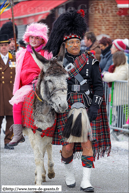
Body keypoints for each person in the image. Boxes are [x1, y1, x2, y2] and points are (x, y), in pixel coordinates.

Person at [44, 10, 111, 192]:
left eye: (77, 42)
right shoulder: (57, 64)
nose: (75, 45)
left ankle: (86, 181)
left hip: (86, 104)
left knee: (87, 143)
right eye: (71, 42)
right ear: (65, 44)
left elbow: (98, 86)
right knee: (68, 146)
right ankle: (69, 173)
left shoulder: (90, 62)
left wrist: (95, 106)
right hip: (66, 106)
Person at [7, 23, 52, 147]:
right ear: (27, 38)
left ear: (42, 39)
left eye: (37, 38)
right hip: (26, 85)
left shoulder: (46, 53)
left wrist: (40, 79)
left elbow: (49, 70)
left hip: (41, 84)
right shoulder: (21, 53)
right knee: (16, 104)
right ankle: (17, 133)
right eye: (32, 37)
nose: (34, 40)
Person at [102, 51, 128, 128]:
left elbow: (118, 77)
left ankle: (121, 126)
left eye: (114, 58)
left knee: (122, 112)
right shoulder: (118, 67)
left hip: (122, 94)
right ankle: (119, 126)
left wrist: (105, 76)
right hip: (118, 94)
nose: (112, 60)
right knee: (118, 111)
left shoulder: (124, 68)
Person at [0, 34, 15, 150]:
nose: (3, 47)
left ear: (9, 46)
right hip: (0, 93)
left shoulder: (14, 59)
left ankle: (8, 141)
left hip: (11, 93)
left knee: (11, 119)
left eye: (5, 45)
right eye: (1, 45)